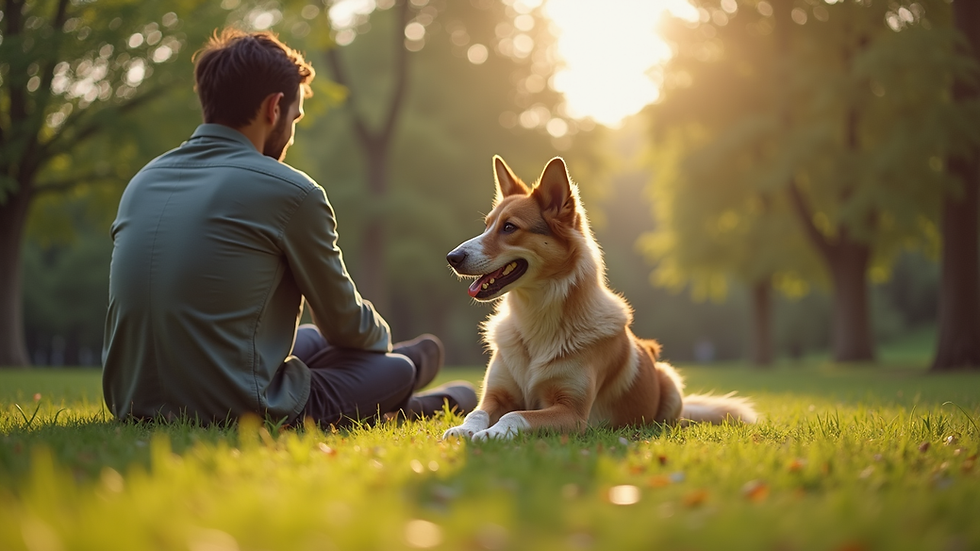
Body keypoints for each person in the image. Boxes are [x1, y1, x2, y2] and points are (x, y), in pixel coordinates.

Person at [102, 28, 476, 426]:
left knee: (312, 339)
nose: (292, 133)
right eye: (295, 117)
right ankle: (410, 387)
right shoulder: (289, 190)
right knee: (395, 369)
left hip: (132, 401)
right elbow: (344, 324)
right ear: (274, 107)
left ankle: (404, 366)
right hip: (236, 407)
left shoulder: (143, 180)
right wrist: (383, 349)